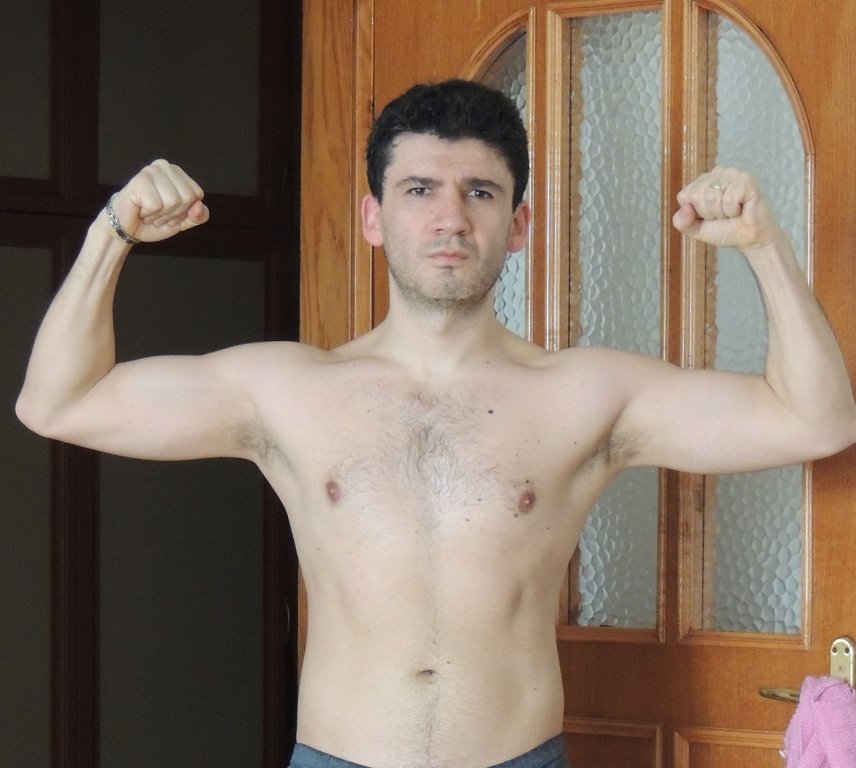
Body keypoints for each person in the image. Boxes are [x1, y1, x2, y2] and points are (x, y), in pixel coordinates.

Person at [16, 79, 856, 768]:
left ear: (518, 224)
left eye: (479, 193)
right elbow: (58, 401)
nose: (450, 218)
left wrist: (764, 245)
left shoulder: (586, 394)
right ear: (374, 217)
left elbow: (814, 420)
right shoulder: (286, 389)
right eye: (419, 190)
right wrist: (112, 233)